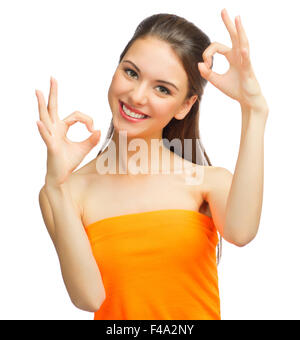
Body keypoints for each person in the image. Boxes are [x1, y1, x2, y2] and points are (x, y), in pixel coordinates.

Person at [36, 8, 269, 320]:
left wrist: (252, 109)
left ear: (185, 105)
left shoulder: (207, 182)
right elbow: (89, 297)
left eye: (163, 88)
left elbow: (241, 232)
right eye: (131, 72)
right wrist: (56, 184)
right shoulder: (65, 191)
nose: (136, 95)